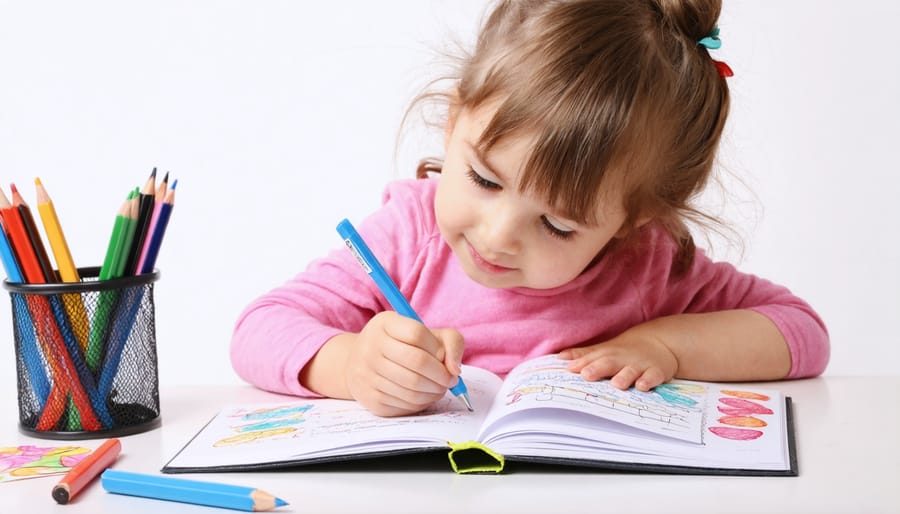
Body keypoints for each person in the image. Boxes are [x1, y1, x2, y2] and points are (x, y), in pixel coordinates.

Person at [231, 0, 829, 417]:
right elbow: (258, 329)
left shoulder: (644, 266)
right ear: (454, 119)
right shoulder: (409, 235)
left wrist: (666, 347)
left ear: (633, 221)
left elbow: (801, 332)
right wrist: (353, 365)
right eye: (485, 180)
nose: (497, 236)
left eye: (557, 224)